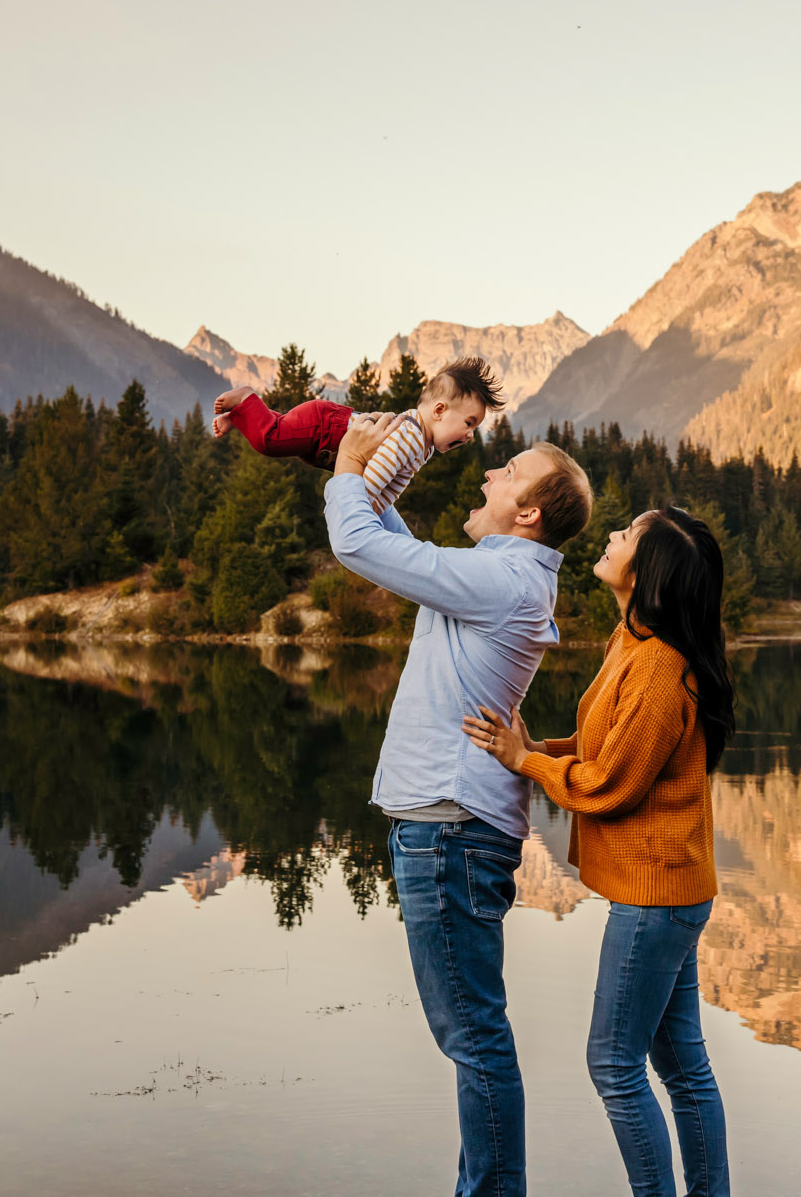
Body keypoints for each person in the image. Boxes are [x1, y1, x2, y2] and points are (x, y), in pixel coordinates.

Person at [324, 410, 594, 1197]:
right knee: (474, 1033)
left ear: (529, 514)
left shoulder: (503, 580)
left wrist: (347, 467)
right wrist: (377, 471)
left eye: (505, 472)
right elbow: (400, 552)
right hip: (449, 828)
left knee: (473, 1035)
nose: (485, 474)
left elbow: (361, 547)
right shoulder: (503, 576)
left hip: (448, 832)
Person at [464, 506, 735, 1197]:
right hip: (672, 892)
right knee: (681, 1065)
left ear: (646, 572)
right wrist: (535, 751)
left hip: (656, 899)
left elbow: (610, 784)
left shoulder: (658, 668)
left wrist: (525, 762)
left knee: (613, 1063)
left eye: (625, 535)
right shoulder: (635, 642)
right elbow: (602, 752)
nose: (610, 537)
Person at [214, 356, 503, 513]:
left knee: (282, 432)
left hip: (325, 437)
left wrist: (378, 510)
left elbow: (393, 486)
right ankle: (246, 399)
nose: (470, 436)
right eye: (469, 423)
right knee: (270, 441)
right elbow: (372, 479)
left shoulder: (422, 445)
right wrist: (360, 512)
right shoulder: (410, 437)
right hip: (326, 428)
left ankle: (238, 417)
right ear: (438, 410)